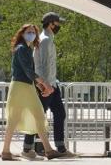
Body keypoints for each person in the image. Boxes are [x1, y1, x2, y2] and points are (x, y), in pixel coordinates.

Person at [2, 24, 65, 161]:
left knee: (38, 116)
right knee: (15, 119)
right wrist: (45, 83)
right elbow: (28, 71)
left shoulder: (26, 48)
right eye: (28, 32)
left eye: (33, 32)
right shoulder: (21, 48)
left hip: (26, 86)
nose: (31, 34)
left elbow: (29, 74)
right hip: (20, 87)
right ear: (22, 33)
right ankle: (6, 152)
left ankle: (48, 150)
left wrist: (40, 85)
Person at [22, 12, 75, 159]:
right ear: (51, 23)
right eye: (57, 23)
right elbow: (43, 66)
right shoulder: (45, 40)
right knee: (38, 117)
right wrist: (45, 86)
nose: (59, 26)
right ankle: (27, 149)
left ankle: (61, 148)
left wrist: (53, 83)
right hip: (46, 86)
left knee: (59, 114)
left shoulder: (48, 39)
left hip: (52, 84)